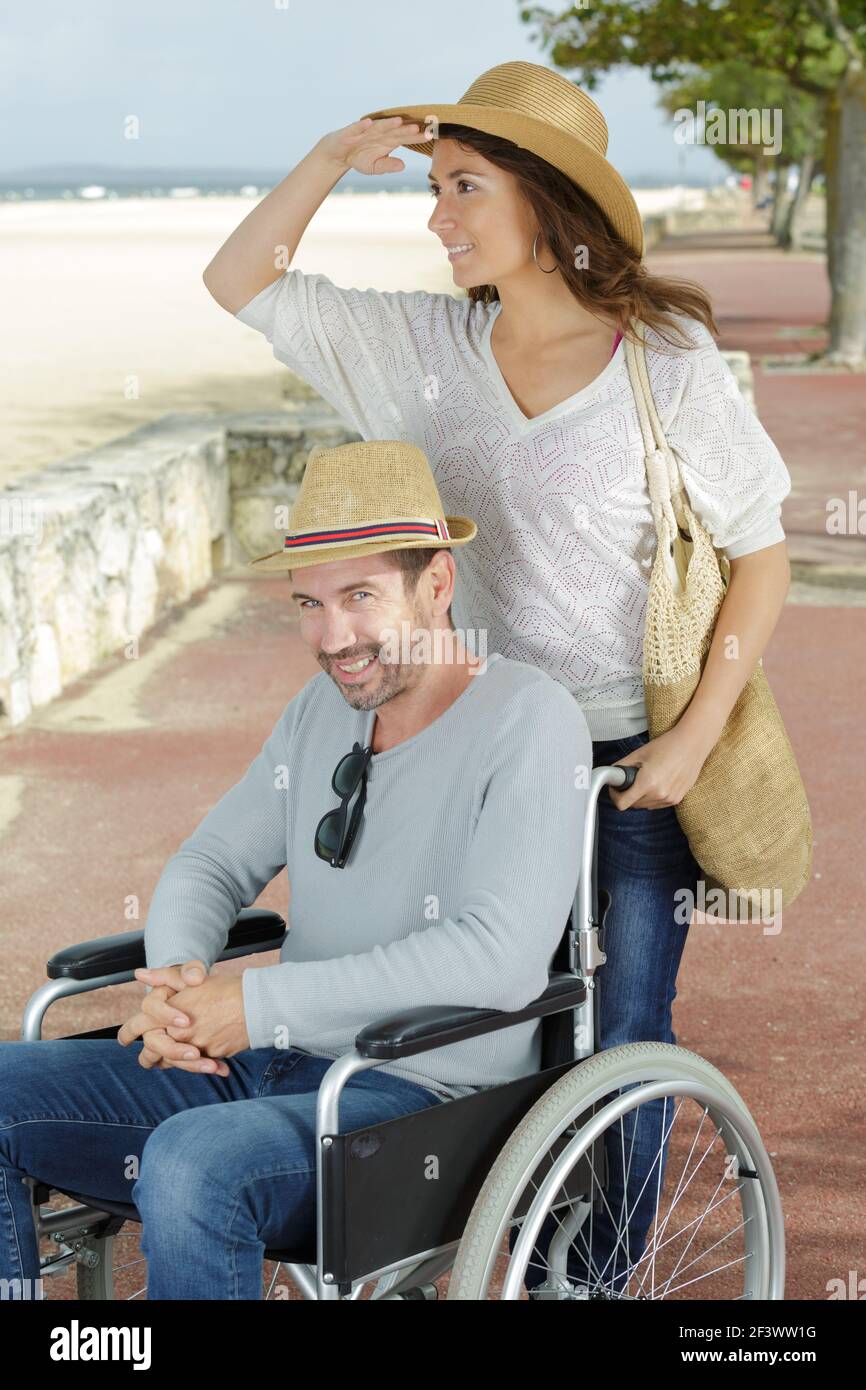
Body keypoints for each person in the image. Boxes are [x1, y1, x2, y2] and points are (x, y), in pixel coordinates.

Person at [202, 60, 793, 1295]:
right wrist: (327, 151)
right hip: (458, 755)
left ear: (545, 202)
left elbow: (760, 554)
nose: (438, 215)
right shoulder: (417, 346)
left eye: (464, 186)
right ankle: (444, 1241)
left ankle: (599, 1275)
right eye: (431, 186)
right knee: (461, 1022)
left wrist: (683, 748)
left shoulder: (663, 361)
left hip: (618, 768)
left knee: (614, 1031)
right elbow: (238, 279)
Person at [0, 439, 592, 1300]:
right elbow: (210, 861)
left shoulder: (531, 723)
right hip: (264, 1068)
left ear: (437, 584)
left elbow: (497, 959)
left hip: (417, 1098)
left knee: (193, 1164)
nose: (333, 639)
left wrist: (254, 1006)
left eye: (360, 598)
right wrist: (178, 989)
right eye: (309, 604)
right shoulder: (321, 710)